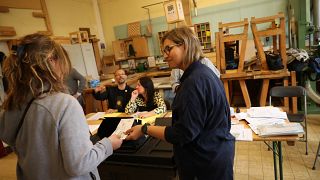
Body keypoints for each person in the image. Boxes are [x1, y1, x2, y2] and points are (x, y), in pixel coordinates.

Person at [0, 33, 123, 179]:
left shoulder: (13, 104)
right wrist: (108, 144)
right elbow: (79, 165)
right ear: (52, 61)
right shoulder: (64, 104)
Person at [125, 27, 235, 180]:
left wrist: (144, 129)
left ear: (185, 45)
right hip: (215, 154)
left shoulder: (194, 82)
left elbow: (183, 133)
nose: (165, 56)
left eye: (168, 49)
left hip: (204, 162)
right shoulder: (203, 73)